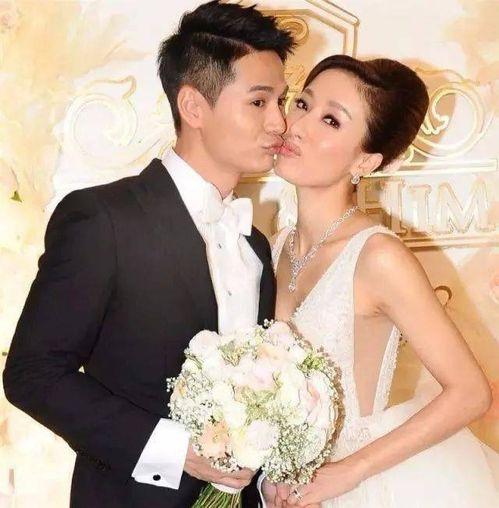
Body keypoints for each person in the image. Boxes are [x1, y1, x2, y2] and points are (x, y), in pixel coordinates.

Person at [3, 1, 294, 507]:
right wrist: (176, 451)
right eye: (259, 102)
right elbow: (33, 374)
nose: (280, 123)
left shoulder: (254, 243)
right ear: (194, 107)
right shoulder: (104, 219)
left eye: (282, 102)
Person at [261, 54, 498, 507]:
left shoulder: (377, 256)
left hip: (364, 487)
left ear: (366, 160)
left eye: (331, 120)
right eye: (303, 104)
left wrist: (348, 472)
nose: (299, 126)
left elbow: (470, 392)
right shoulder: (273, 248)